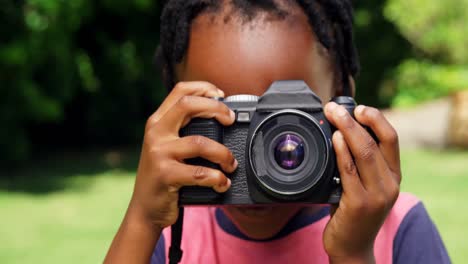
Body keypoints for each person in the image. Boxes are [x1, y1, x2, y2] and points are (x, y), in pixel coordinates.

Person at [105, 1, 450, 263]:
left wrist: (355, 252)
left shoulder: (398, 227)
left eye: (288, 121)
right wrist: (142, 219)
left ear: (343, 98)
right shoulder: (165, 231)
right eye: (229, 120)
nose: (259, 163)